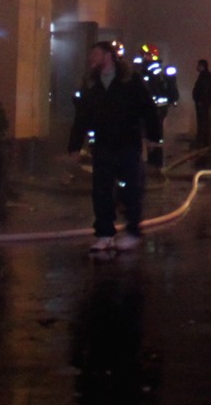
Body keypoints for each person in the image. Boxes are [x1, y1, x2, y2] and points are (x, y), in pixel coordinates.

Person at [68, 40, 163, 254]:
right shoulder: (92, 84)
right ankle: (104, 234)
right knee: (100, 191)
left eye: (96, 54)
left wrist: (154, 137)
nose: (92, 59)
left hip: (127, 144)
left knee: (131, 189)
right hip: (103, 145)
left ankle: (132, 231)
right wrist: (74, 145)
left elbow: (148, 109)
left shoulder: (130, 81)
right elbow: (82, 116)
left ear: (108, 56)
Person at [191, 59, 211, 147]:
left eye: (198, 65)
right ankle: (204, 139)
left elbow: (203, 90)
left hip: (202, 102)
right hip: (203, 102)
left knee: (202, 120)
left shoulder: (205, 76)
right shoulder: (205, 75)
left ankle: (202, 140)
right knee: (203, 120)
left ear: (202, 66)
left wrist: (200, 100)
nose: (196, 67)